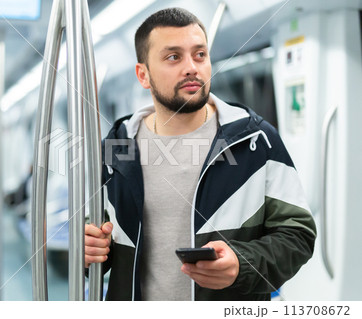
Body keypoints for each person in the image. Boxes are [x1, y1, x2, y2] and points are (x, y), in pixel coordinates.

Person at [85, 8, 316, 301]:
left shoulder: (256, 140)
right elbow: (100, 234)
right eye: (173, 57)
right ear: (143, 75)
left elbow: (298, 235)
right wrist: (90, 249)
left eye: (199, 55)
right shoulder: (119, 146)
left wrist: (241, 265)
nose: (191, 67)